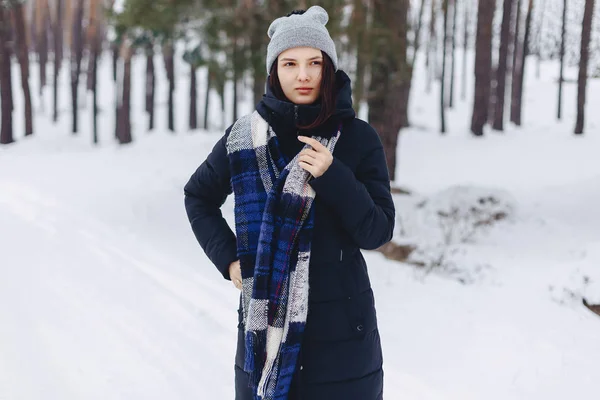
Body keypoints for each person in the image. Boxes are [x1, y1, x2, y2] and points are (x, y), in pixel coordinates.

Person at [184, 5, 395, 400]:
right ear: (274, 71)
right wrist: (229, 258)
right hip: (265, 338)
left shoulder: (358, 138)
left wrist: (333, 175)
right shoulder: (244, 139)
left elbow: (378, 230)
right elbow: (197, 196)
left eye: (314, 62)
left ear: (328, 68)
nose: (303, 75)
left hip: (343, 341)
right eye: (290, 63)